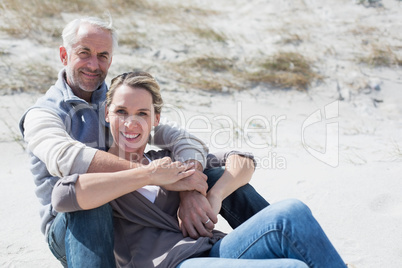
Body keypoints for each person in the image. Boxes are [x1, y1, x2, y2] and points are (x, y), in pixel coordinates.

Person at [19, 17, 268, 267]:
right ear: (64, 55)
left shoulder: (119, 98)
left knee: (213, 175)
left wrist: (189, 187)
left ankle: (273, 242)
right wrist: (151, 174)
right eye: (84, 53)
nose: (94, 64)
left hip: (126, 212)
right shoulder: (42, 114)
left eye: (103, 55)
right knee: (93, 204)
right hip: (70, 223)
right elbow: (67, 160)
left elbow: (180, 137)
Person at [62, 71, 346, 267]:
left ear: (156, 119)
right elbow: (63, 197)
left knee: (291, 212)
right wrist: (149, 175)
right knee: (292, 267)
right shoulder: (99, 166)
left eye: (142, 113)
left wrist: (212, 195)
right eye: (121, 112)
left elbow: (242, 160)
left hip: (213, 251)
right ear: (107, 112)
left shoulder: (166, 157)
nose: (131, 123)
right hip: (172, 264)